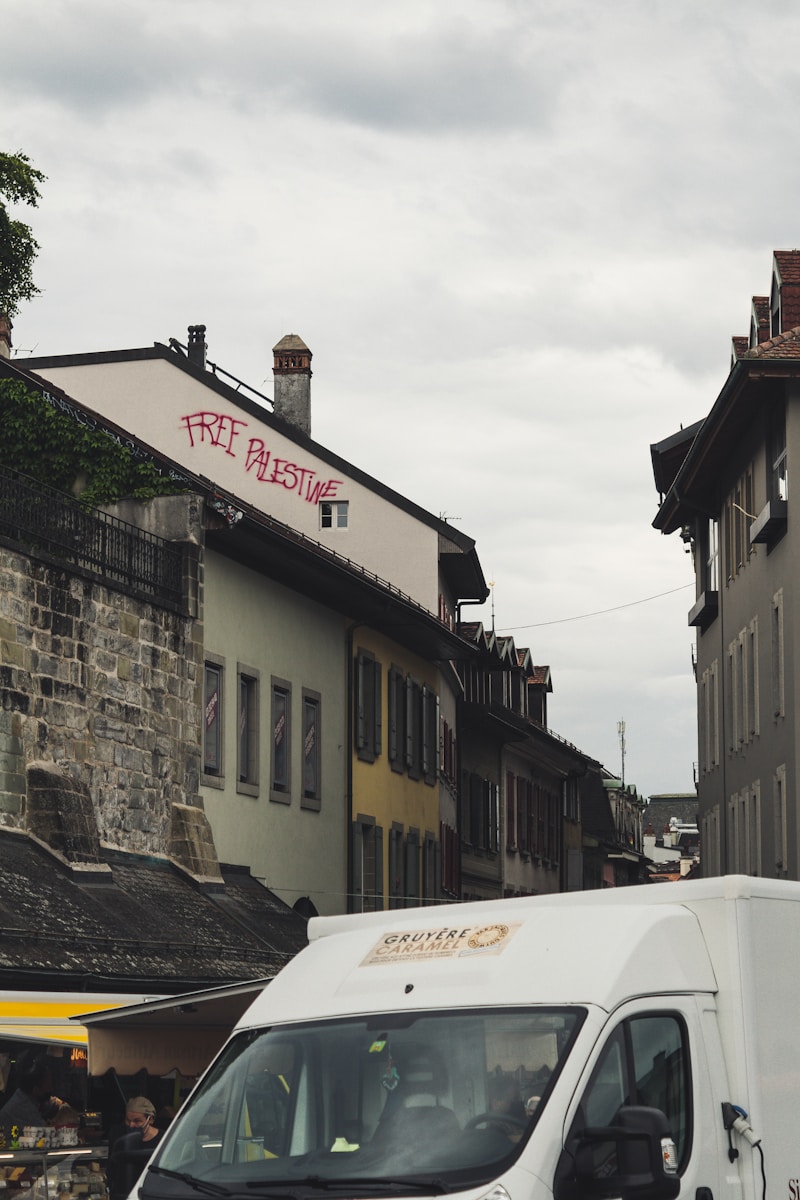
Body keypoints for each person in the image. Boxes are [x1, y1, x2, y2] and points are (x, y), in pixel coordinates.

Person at [107, 1097, 163, 1200]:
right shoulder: (117, 1135)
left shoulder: (164, 1140)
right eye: (128, 1121)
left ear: (150, 1119)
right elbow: (111, 1168)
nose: (132, 1125)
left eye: (137, 1121)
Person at [0, 1051, 59, 1144]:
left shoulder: (26, 1098)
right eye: (48, 1085)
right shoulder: (23, 1106)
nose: (51, 1088)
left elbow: (48, 1107)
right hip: (10, 1152)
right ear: (35, 1089)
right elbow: (47, 1134)